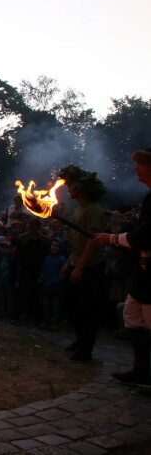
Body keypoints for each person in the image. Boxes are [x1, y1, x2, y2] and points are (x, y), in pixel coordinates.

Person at [92, 149, 151, 386]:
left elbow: (147, 235)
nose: (136, 169)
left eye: (141, 165)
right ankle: (141, 370)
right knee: (132, 316)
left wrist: (113, 239)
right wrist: (124, 247)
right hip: (143, 274)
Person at [58, 164, 107, 362]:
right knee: (72, 305)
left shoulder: (93, 210)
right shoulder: (80, 209)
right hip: (77, 262)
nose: (69, 190)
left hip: (91, 267)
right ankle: (79, 340)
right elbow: (76, 240)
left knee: (88, 309)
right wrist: (69, 262)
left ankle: (86, 350)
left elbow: (92, 241)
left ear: (81, 190)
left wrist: (79, 267)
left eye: (72, 187)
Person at [38, 239, 67, 330]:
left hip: (56, 287)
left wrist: (54, 281)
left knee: (55, 306)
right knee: (46, 305)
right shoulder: (47, 258)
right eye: (52, 245)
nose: (53, 247)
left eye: (56, 245)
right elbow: (44, 269)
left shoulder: (62, 260)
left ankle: (55, 323)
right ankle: (45, 321)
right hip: (46, 285)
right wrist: (41, 276)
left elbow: (62, 274)